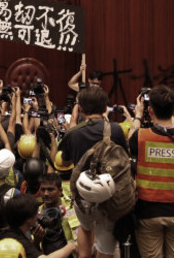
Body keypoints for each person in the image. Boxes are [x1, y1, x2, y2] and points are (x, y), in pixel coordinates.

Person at [58, 86, 127, 258]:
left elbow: (64, 162)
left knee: (85, 227)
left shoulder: (73, 133)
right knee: (105, 239)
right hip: (108, 193)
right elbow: (125, 157)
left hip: (83, 193)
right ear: (105, 108)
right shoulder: (115, 129)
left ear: (80, 108)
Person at [130, 85, 174, 258]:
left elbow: (130, 137)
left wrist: (138, 114)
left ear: (150, 110)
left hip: (148, 211)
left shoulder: (140, 136)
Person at [0, 194, 77, 258]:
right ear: (29, 219)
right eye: (36, 212)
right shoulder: (17, 240)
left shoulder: (6, 233)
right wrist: (71, 246)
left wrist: (35, 242)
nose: (38, 215)